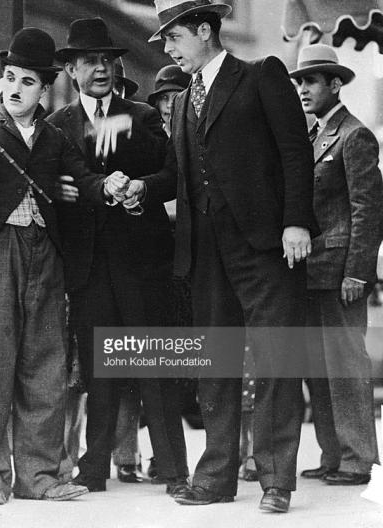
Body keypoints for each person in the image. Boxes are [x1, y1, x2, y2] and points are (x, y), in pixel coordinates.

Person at [0, 26, 124, 505]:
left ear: (45, 88)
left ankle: (38, 476)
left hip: (46, 253)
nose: (15, 89)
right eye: (10, 79)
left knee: (45, 365)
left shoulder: (56, 135)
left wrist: (115, 186)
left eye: (27, 82)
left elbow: (83, 183)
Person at [139, 0, 316, 513]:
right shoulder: (184, 98)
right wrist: (139, 190)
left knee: (277, 360)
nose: (168, 50)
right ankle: (215, 478)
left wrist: (295, 221)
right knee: (214, 365)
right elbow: (177, 176)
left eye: (173, 38)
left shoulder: (263, 74)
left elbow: (293, 151)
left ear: (202, 29)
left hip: (265, 246)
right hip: (206, 250)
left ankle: (276, 480)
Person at [48, 17, 188, 495]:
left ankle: (171, 467)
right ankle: (95, 468)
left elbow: (172, 174)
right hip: (88, 268)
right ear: (70, 69)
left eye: (109, 60)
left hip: (144, 262)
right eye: (90, 61)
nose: (102, 68)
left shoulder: (143, 115)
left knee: (154, 364)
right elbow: (51, 191)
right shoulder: (56, 126)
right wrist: (75, 192)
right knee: (98, 369)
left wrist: (141, 190)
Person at [291, 44, 383, 486]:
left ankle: (358, 459)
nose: (303, 89)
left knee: (346, 369)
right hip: (312, 272)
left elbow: (368, 210)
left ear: (334, 84)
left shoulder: (355, 135)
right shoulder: (313, 135)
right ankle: (333, 456)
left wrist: (358, 272)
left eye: (310, 81)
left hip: (341, 273)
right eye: (300, 82)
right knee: (318, 370)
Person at [147, 64, 190, 137]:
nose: (169, 105)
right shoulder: (150, 137)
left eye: (177, 97)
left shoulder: (199, 137)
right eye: (164, 97)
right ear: (157, 103)